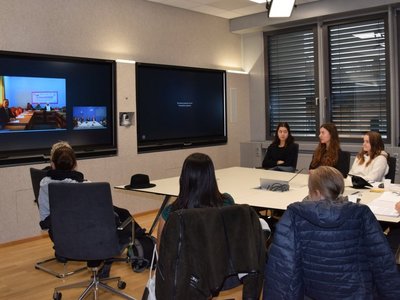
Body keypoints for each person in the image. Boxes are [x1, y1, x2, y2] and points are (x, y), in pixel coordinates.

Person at [264, 166, 400, 300]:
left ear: (314, 192)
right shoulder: (362, 213)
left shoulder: (294, 216)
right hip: (357, 292)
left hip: (311, 291)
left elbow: (282, 267)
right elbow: (382, 261)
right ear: (340, 189)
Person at [38, 143, 133, 277]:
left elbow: (45, 219)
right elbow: (104, 217)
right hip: (92, 239)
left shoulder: (44, 185)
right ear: (75, 164)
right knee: (121, 220)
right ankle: (106, 258)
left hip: (62, 239)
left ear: (52, 164)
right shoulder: (87, 187)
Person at [157, 152, 235, 242]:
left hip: (186, 256)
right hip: (221, 255)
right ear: (212, 179)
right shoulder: (228, 202)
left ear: (183, 179)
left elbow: (161, 250)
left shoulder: (170, 213)